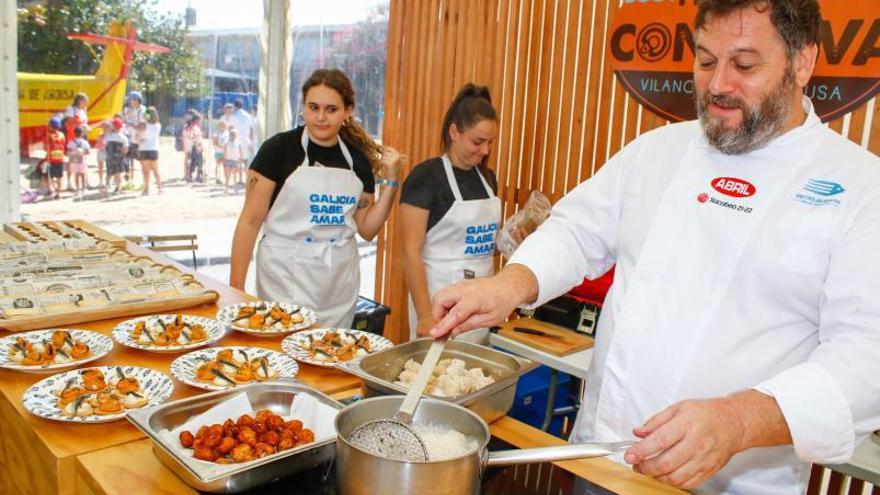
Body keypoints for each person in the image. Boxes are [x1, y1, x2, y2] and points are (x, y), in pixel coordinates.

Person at [429, 1, 880, 494]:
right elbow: (577, 230)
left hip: (734, 485)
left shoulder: (858, 188)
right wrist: (510, 284)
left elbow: (865, 358)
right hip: (604, 460)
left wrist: (740, 421)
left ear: (803, 62)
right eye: (706, 61)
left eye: (745, 65)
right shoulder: (659, 150)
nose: (718, 84)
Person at [230, 68, 406, 328]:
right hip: (284, 278)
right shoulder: (278, 150)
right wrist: (236, 289)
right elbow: (249, 222)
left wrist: (391, 183)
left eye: (331, 110)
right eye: (313, 108)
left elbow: (368, 229)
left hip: (337, 286)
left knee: (330, 361)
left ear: (348, 111)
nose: (321, 117)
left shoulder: (357, 161)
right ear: (304, 107)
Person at [399, 84, 500, 343]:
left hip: (480, 307)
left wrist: (511, 237)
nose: (485, 151)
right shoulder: (426, 177)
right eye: (477, 142)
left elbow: (481, 245)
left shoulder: (488, 179)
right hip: (438, 307)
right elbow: (410, 251)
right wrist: (424, 315)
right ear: (454, 131)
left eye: (490, 142)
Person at [63, 93, 89, 191]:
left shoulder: (83, 110)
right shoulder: (71, 109)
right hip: (74, 136)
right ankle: (70, 183)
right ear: (79, 100)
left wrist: (85, 127)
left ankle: (84, 182)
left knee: (83, 159)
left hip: (83, 136)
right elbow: (69, 122)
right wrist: (81, 124)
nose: (86, 102)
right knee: (73, 160)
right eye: (85, 100)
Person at [122, 91, 146, 188]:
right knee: (126, 159)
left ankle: (145, 181)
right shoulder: (127, 109)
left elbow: (143, 126)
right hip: (128, 138)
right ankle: (129, 179)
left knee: (142, 161)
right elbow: (123, 118)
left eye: (131, 100)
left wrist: (130, 125)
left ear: (137, 100)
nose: (130, 102)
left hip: (138, 140)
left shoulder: (144, 110)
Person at [137, 106, 162, 195]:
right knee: (155, 170)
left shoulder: (144, 125)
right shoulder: (158, 125)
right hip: (154, 148)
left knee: (145, 170)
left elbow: (138, 137)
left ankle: (146, 188)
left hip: (144, 148)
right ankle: (160, 188)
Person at [227, 98, 256, 168]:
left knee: (237, 161)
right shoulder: (248, 116)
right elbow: (251, 130)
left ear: (235, 106)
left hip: (235, 140)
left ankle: (238, 177)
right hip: (246, 140)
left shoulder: (233, 116)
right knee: (246, 161)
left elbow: (230, 128)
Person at [104, 117, 129, 194]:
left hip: (110, 156)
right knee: (118, 173)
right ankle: (118, 187)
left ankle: (117, 187)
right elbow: (126, 149)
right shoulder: (123, 137)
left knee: (114, 173)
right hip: (119, 157)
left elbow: (105, 145)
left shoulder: (108, 136)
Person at [44, 116, 67, 200]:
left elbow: (46, 147)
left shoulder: (49, 136)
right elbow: (64, 145)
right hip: (60, 158)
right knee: (59, 177)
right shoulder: (62, 135)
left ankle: (52, 189)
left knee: (48, 176)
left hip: (51, 159)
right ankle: (58, 193)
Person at [66, 125, 91, 199]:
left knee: (76, 174)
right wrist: (82, 152)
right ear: (82, 133)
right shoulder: (84, 142)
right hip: (82, 158)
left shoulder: (71, 142)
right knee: (82, 174)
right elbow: (88, 151)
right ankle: (83, 188)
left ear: (74, 133)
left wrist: (74, 151)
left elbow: (68, 152)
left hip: (74, 159)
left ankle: (77, 189)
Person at [222, 127, 245, 194]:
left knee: (228, 175)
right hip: (233, 160)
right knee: (232, 175)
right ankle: (232, 189)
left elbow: (225, 152)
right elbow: (241, 153)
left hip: (231, 160)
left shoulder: (230, 142)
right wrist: (240, 160)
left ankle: (228, 189)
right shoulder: (236, 143)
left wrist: (225, 160)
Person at [94, 121, 109, 191]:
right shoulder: (100, 135)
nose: (104, 129)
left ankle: (107, 181)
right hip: (101, 151)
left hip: (106, 152)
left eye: (105, 127)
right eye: (103, 127)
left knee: (108, 167)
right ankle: (101, 181)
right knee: (101, 167)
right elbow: (97, 144)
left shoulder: (109, 135)